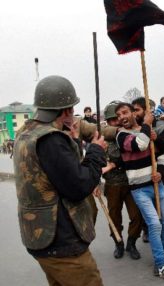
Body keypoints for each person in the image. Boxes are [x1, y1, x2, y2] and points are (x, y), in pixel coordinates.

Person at [13, 75, 107, 285]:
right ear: (66, 110)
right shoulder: (52, 139)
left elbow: (56, 172)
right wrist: (96, 152)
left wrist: (73, 142)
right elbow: (79, 185)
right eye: (72, 109)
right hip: (62, 241)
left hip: (41, 238)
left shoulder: (26, 132)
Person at [115, 102, 164, 278]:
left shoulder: (147, 132)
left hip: (156, 185)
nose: (121, 117)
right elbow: (140, 145)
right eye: (118, 115)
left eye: (124, 112)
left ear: (132, 113)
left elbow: (159, 155)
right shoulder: (121, 135)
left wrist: (159, 172)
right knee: (154, 224)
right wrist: (147, 124)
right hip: (140, 190)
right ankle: (161, 264)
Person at [102, 101, 143, 260]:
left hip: (131, 182)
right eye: (112, 120)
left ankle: (131, 243)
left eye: (117, 119)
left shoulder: (128, 134)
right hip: (113, 184)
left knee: (137, 216)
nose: (115, 122)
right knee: (114, 217)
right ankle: (118, 243)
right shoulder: (103, 138)